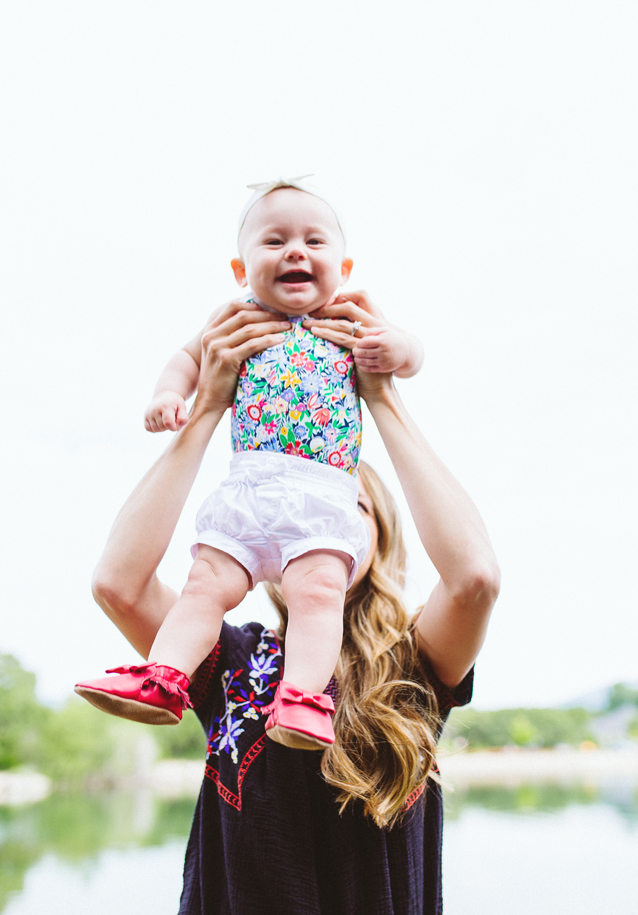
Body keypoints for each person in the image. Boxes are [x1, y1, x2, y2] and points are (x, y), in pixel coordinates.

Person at [88, 289, 500, 915]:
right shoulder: (231, 660)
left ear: (378, 537)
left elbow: (477, 576)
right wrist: (206, 409)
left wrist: (384, 400)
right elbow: (117, 583)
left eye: (350, 506)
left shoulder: (416, 658)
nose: (311, 516)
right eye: (297, 500)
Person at [76, 180, 423, 749]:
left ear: (344, 265)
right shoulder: (235, 317)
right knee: (202, 587)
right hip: (249, 487)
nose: (295, 251)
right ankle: (165, 676)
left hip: (318, 494)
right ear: (241, 269)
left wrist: (396, 353)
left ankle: (303, 699)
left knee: (316, 593)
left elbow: (411, 352)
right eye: (274, 241)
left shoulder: (350, 315)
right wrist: (172, 395)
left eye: (314, 241)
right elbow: (187, 357)